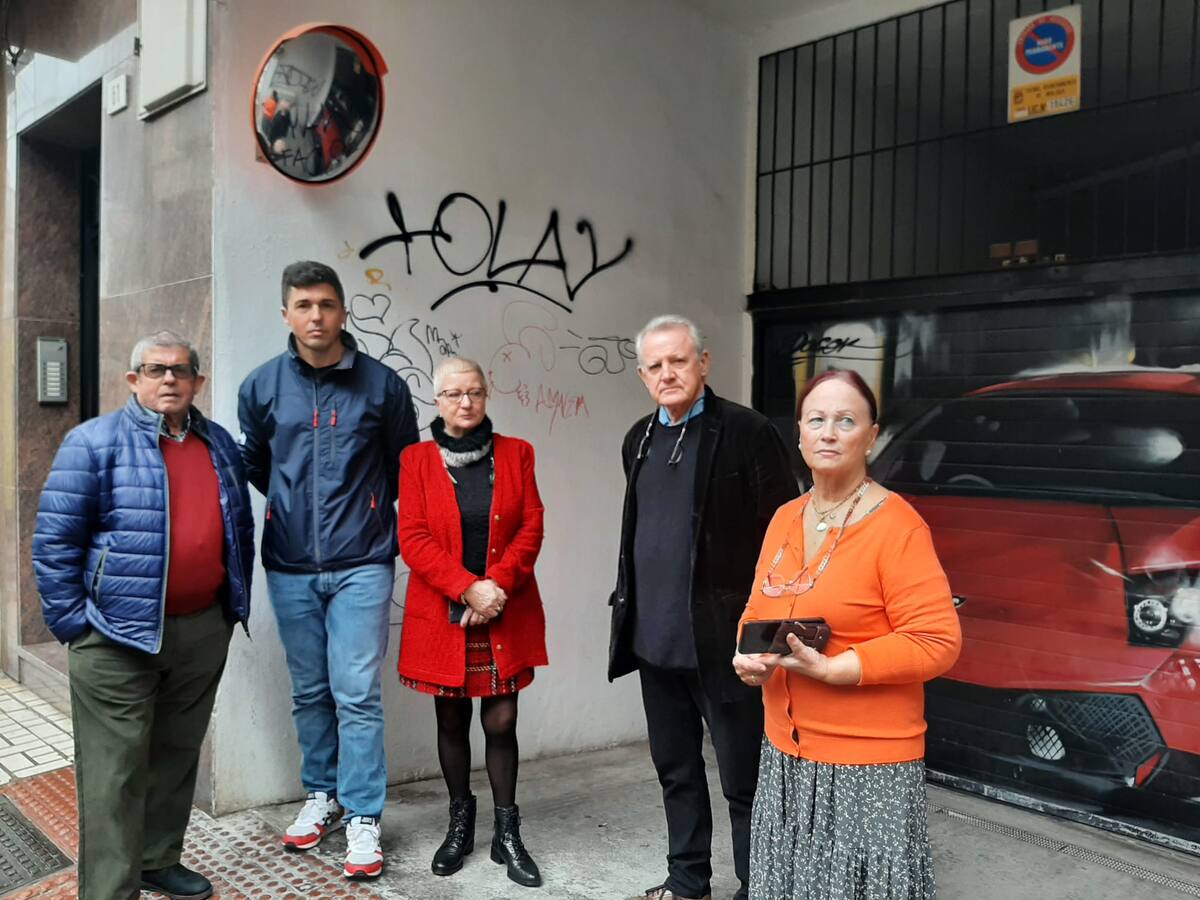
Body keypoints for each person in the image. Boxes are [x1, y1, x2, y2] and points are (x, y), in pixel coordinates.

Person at [32, 331, 254, 900]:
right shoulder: (93, 443)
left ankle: (157, 860)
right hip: (114, 637)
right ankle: (109, 891)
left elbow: (237, 529)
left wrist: (230, 608)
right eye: (156, 371)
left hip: (202, 628)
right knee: (114, 774)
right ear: (134, 380)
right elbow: (54, 544)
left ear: (198, 382)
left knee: (176, 756)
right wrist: (74, 627)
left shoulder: (221, 443)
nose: (169, 381)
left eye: (181, 371)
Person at [732, 369, 962, 899]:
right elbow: (754, 612)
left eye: (845, 420)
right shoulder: (785, 518)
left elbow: (936, 639)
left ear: (872, 436)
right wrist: (749, 660)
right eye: (816, 420)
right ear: (799, 434)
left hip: (867, 765)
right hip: (785, 754)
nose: (829, 432)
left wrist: (838, 668)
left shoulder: (898, 526)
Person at [238, 260, 419, 880]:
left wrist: (366, 511)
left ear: (343, 311)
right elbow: (257, 464)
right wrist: (290, 509)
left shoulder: (382, 386)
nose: (315, 316)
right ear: (285, 314)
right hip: (288, 564)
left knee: (358, 694)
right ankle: (323, 794)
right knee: (311, 690)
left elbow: (404, 469)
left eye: (326, 304)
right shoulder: (261, 387)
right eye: (303, 305)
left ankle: (365, 815)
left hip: (363, 562)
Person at [609, 315, 799, 900]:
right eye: (656, 365)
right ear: (643, 375)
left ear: (704, 363)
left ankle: (757, 885)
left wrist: (767, 643)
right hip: (654, 641)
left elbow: (785, 540)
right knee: (677, 773)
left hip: (725, 645)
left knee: (744, 780)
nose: (668, 373)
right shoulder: (638, 437)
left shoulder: (746, 430)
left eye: (679, 360)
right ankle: (688, 880)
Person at [397, 357, 547, 888]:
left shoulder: (517, 453)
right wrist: (466, 588)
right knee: (451, 721)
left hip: (503, 610)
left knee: (502, 722)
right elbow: (413, 538)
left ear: (486, 396)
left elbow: (531, 526)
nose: (466, 402)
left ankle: (507, 833)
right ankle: (460, 822)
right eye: (455, 394)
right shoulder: (415, 460)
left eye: (475, 392)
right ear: (437, 401)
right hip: (446, 613)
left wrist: (495, 589)